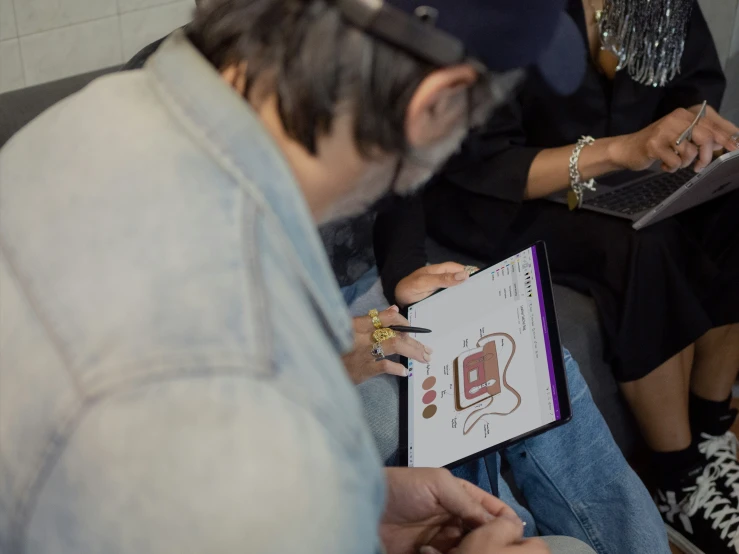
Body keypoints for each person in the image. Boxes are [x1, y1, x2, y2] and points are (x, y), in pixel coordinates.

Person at [0, 0, 596, 553]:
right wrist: (324, 511)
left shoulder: (88, 120)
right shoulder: (265, 407)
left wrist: (364, 503)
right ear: (431, 104)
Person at [120, 33, 668, 554]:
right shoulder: (165, 105)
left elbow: (400, 191)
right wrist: (329, 359)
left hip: (364, 292)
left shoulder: (352, 58)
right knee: (432, 398)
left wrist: (406, 272)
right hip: (264, 341)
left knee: (535, 359)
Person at [376, 1, 739, 553]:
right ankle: (677, 477)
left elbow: (695, 91)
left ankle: (712, 427)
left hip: (622, 177)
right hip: (501, 196)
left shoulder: (663, 4)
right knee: (640, 246)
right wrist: (621, 149)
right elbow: (478, 162)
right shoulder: (501, 16)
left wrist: (694, 138)